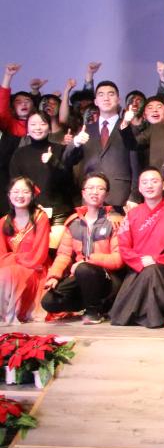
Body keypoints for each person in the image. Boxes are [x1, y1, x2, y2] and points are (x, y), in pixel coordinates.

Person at [109, 168, 164, 328]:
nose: (149, 185)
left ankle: (133, 314)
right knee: (148, 271)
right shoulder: (132, 215)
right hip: (138, 269)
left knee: (152, 270)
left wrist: (157, 259)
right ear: (139, 188)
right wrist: (140, 261)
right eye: (145, 182)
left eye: (154, 181)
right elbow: (124, 246)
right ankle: (148, 316)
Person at [41, 173, 123, 324]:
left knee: (84, 269)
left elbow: (118, 260)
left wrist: (88, 261)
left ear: (107, 194)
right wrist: (54, 276)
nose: (95, 192)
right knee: (49, 302)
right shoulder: (74, 222)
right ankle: (93, 305)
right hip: (81, 275)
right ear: (83, 193)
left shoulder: (114, 222)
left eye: (100, 188)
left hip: (108, 279)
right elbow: (63, 254)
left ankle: (94, 312)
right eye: (90, 188)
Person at [64, 80, 138, 209]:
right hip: (91, 196)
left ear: (118, 99)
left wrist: (134, 196)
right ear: (96, 101)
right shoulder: (86, 129)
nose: (106, 98)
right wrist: (75, 142)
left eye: (111, 94)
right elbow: (67, 160)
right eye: (101, 94)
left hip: (120, 196)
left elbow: (136, 164)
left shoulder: (129, 128)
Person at [10, 110, 74, 243]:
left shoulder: (60, 149)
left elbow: (69, 181)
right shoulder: (20, 154)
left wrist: (53, 162)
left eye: (42, 123)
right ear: (27, 128)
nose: (38, 128)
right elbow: (15, 185)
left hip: (58, 211)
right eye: (33, 124)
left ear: (49, 128)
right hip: (30, 211)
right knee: (31, 250)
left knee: (55, 250)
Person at [0, 177, 50, 324]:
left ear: (32, 195)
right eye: (15, 191)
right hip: (11, 268)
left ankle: (10, 314)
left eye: (25, 192)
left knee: (10, 273)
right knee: (7, 272)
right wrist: (13, 260)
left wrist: (14, 259)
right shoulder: (3, 222)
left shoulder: (40, 218)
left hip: (36, 269)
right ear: (9, 195)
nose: (20, 195)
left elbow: (39, 254)